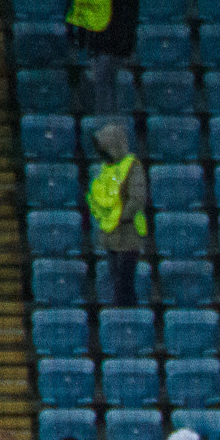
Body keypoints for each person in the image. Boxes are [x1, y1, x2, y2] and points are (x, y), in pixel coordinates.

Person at [88, 121, 148, 307]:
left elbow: (137, 198)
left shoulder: (132, 166)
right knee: (117, 282)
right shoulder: (106, 168)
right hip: (111, 235)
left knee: (124, 283)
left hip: (128, 234)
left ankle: (126, 320)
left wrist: (120, 217)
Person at [65, 0, 134, 114]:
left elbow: (128, 9)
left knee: (105, 85)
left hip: (110, 44)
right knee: (99, 85)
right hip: (94, 43)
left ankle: (105, 124)